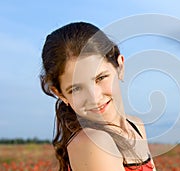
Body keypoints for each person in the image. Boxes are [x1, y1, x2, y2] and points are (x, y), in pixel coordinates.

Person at [40, 22, 156, 171]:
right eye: (76, 89)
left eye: (100, 78)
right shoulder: (94, 142)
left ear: (119, 67)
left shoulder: (136, 126)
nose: (94, 98)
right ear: (60, 94)